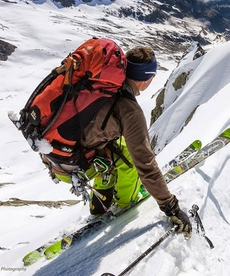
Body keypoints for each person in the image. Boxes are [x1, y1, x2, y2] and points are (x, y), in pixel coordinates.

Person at [63, 46, 192, 237]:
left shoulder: (101, 86)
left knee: (118, 147)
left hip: (54, 152)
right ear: (147, 78)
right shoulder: (129, 110)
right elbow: (145, 164)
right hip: (72, 164)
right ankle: (124, 202)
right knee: (129, 159)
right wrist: (172, 208)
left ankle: (103, 192)